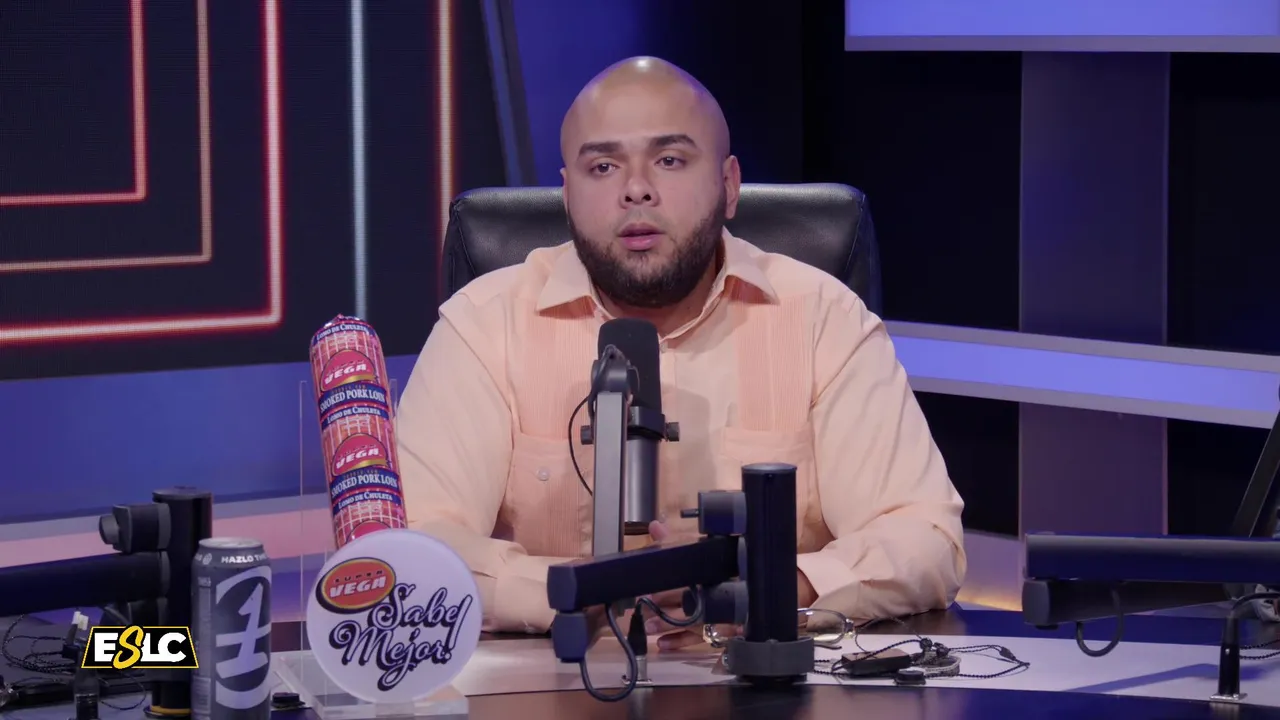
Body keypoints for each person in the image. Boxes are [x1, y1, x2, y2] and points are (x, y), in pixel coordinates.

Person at [396, 56, 966, 649]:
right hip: (553, 678)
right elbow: (412, 549)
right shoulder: (485, 324)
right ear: (567, 196)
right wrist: (584, 591)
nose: (635, 189)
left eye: (669, 160)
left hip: (764, 674)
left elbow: (924, 538)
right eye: (603, 166)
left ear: (729, 185)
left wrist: (764, 585)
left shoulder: (824, 317)